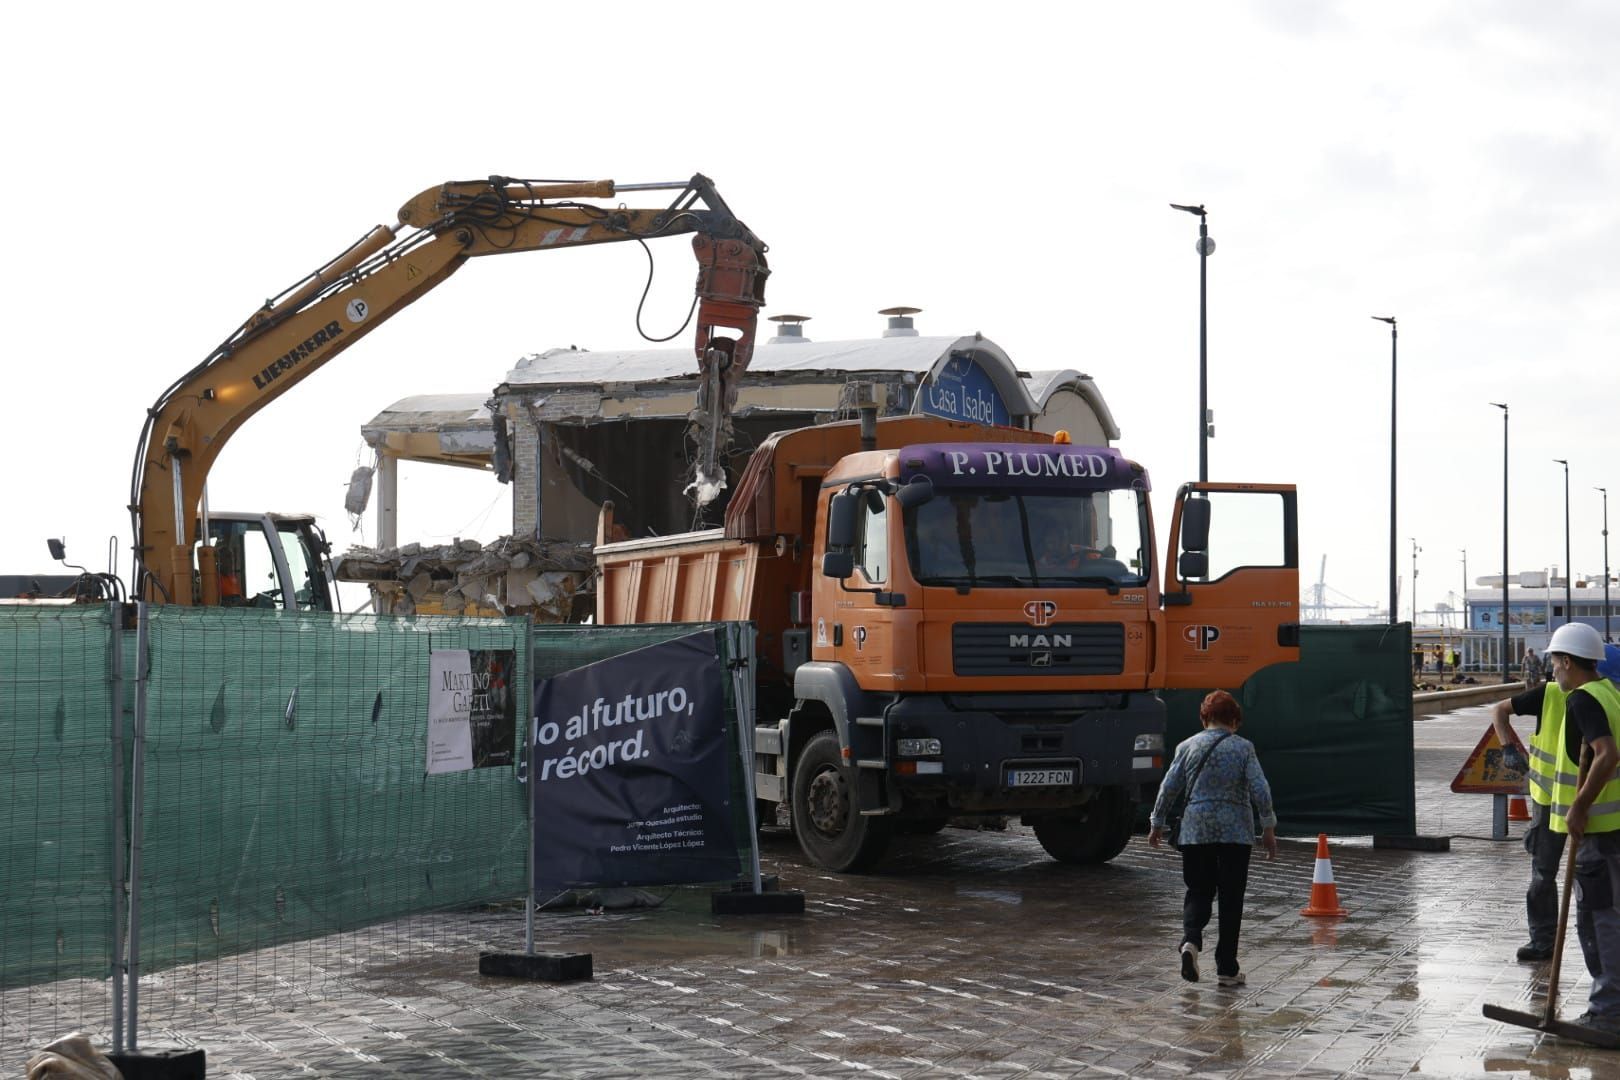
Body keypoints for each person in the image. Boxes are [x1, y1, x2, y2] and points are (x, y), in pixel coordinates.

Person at [1148, 690, 1279, 988]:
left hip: (1196, 831)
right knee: (1231, 898)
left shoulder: (1187, 746)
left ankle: (1191, 942)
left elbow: (1169, 787)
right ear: (1234, 720)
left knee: (1198, 890)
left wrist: (1157, 823)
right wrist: (1268, 827)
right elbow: (1260, 789)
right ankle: (1227, 969)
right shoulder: (1243, 748)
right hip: (1236, 832)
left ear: (1204, 718)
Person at [1544, 623, 1620, 1033]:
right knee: (1607, 916)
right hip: (1613, 829)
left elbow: (1607, 754)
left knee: (1597, 920)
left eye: (1555, 661)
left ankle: (1608, 1012)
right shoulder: (1610, 692)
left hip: (1598, 832)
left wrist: (1579, 807)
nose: (1553, 670)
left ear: (1568, 662)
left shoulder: (1583, 700)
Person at [1490, 654, 1567, 962]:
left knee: (1596, 874)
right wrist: (1507, 746)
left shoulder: (1607, 697)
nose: (1555, 668)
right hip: (1548, 799)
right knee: (1543, 874)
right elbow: (1499, 710)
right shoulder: (1548, 694)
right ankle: (1543, 940)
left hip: (1596, 803)